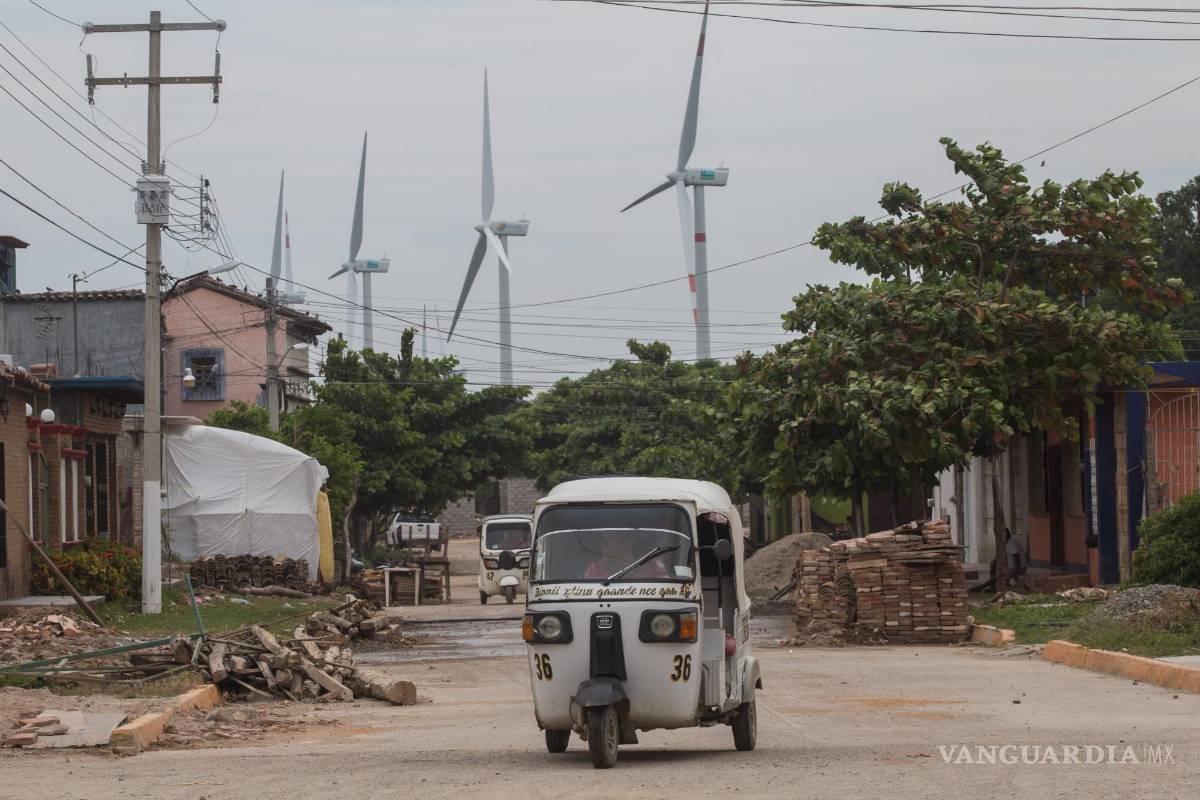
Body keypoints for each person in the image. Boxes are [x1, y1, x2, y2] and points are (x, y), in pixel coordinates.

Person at [583, 531, 670, 580]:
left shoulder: (652, 565)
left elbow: (666, 589)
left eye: (608, 542)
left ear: (627, 545)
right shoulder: (595, 568)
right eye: (603, 542)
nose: (602, 546)